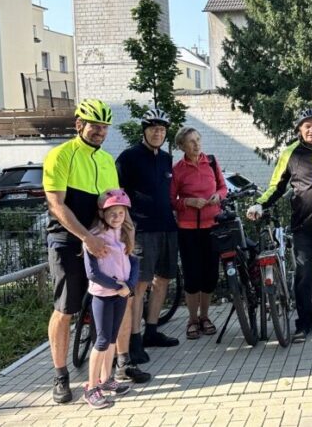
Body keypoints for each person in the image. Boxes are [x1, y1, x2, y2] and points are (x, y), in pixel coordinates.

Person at [43, 98, 150, 404]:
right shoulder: (59, 155)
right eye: (95, 126)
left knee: (119, 296)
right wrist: (85, 239)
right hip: (67, 239)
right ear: (80, 125)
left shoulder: (105, 160)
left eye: (104, 127)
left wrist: (127, 236)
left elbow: (115, 204)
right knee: (65, 308)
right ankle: (60, 375)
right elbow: (56, 203)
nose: (100, 131)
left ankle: (118, 366)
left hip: (104, 241)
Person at [246, 108, 312, 343]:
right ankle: (302, 323)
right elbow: (276, 185)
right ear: (299, 129)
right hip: (303, 227)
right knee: (303, 276)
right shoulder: (290, 153)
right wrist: (260, 204)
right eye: (307, 126)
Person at [116, 108, 179, 365]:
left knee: (163, 279)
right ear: (144, 130)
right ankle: (134, 339)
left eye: (162, 130)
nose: (158, 133)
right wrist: (126, 225)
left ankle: (152, 330)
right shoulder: (128, 157)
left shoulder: (166, 158)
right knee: (139, 286)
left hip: (167, 226)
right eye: (153, 128)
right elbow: (117, 193)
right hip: (141, 229)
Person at [170, 127, 227, 339]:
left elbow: (223, 187)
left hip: (212, 227)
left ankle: (205, 316)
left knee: (210, 275)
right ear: (181, 146)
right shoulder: (177, 170)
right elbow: (171, 200)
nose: (196, 145)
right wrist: (188, 202)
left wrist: (217, 197)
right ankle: (192, 319)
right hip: (188, 230)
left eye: (198, 140)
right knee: (192, 277)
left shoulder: (211, 162)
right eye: (191, 142)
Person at [82, 189, 136, 409]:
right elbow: (92, 273)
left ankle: (107, 380)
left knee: (112, 338)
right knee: (102, 341)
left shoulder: (124, 234)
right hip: (104, 296)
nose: (117, 217)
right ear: (102, 213)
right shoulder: (94, 236)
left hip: (121, 294)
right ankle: (91, 387)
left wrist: (129, 286)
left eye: (121, 213)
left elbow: (135, 262)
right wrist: (117, 286)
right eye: (112, 212)